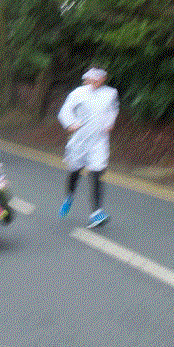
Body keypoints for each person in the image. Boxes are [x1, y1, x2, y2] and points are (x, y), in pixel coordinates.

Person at [58, 66, 119, 228]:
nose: (95, 82)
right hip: (80, 140)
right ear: (87, 79)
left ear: (103, 79)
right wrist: (71, 124)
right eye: (92, 79)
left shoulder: (110, 93)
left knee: (97, 173)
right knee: (75, 172)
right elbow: (64, 111)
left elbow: (113, 110)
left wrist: (109, 123)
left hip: (99, 141)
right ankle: (69, 197)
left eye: (99, 79)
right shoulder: (78, 93)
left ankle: (96, 212)